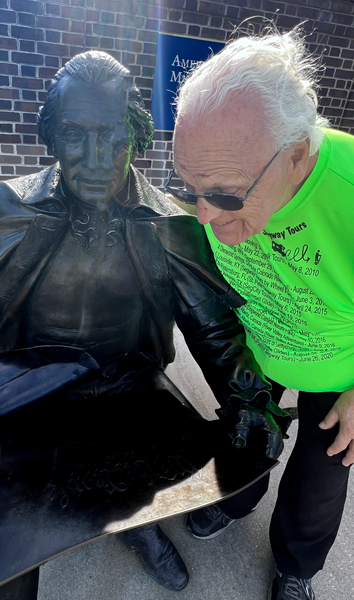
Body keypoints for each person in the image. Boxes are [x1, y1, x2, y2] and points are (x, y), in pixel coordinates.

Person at [0, 51, 288, 599]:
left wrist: (248, 396)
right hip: (33, 387)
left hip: (129, 381)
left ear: (137, 139)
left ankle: (138, 524)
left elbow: (211, 327)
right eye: (75, 135)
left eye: (113, 138)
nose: (96, 159)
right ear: (50, 137)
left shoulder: (168, 225)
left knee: (173, 466)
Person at [171, 25, 354, 600]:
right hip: (260, 348)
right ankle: (235, 500)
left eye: (224, 195)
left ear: (297, 154)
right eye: (189, 188)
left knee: (321, 477)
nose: (204, 216)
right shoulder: (226, 177)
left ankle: (296, 567)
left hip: (339, 367)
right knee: (243, 436)